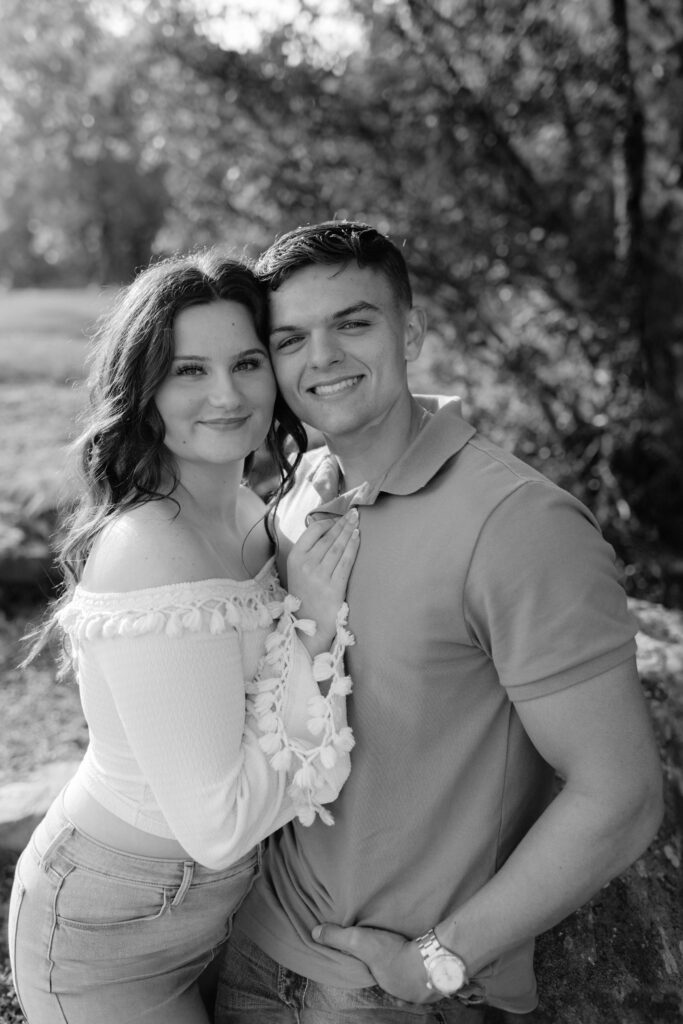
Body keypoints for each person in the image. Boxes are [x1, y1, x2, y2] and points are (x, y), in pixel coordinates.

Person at [214, 221, 664, 1022]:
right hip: (256, 949)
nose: (321, 358)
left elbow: (620, 794)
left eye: (353, 323)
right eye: (290, 339)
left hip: (388, 1000)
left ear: (411, 330)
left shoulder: (517, 523)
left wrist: (435, 963)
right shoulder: (300, 495)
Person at [7, 249, 360, 1024]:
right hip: (106, 935)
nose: (227, 395)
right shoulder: (149, 553)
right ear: (144, 391)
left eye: (246, 362)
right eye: (189, 371)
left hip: (215, 911)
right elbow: (219, 825)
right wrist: (312, 621)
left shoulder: (244, 508)